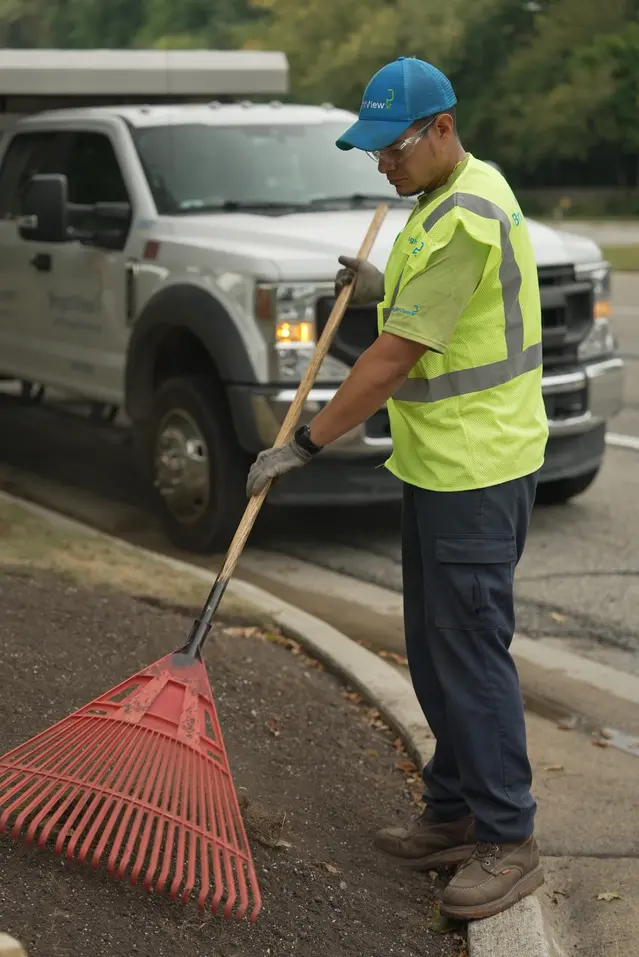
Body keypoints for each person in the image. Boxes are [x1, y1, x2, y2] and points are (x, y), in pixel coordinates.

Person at [245, 55, 549, 920]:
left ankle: (506, 837)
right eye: (373, 150)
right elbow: (419, 321)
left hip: (478, 467)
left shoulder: (466, 217)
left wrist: (303, 441)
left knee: (467, 652)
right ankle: (454, 810)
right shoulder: (430, 204)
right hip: (438, 463)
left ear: (442, 129)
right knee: (433, 646)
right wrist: (382, 292)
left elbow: (394, 358)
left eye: (393, 148)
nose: (381, 164)